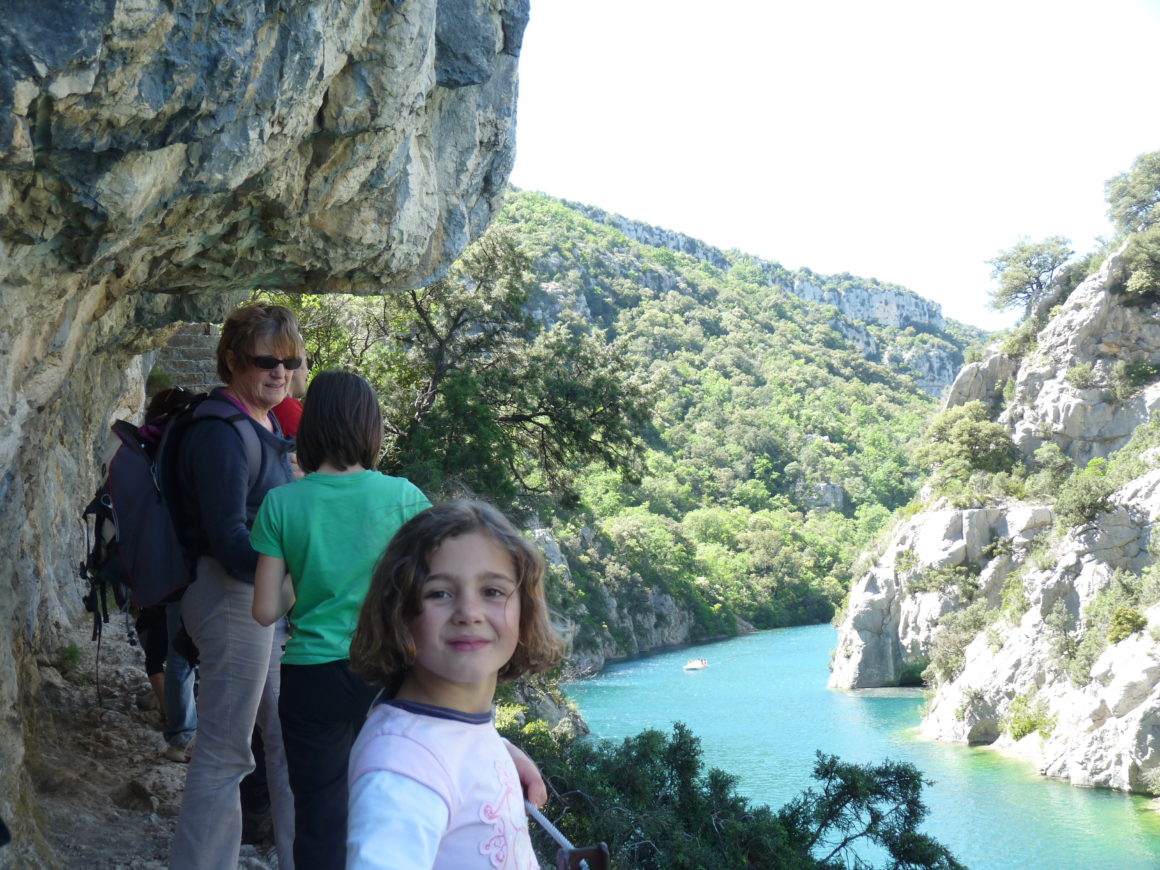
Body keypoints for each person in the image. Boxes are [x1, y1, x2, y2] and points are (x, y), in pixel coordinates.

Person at [251, 370, 431, 870]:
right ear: (369, 428)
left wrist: (306, 565)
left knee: (320, 819)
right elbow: (427, 598)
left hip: (311, 678)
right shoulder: (405, 498)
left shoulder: (282, 502)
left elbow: (266, 609)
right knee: (390, 811)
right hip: (388, 672)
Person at [345, 500, 566, 870]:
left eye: (493, 591)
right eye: (439, 593)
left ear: (524, 610)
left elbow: (438, 742)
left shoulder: (445, 730)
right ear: (399, 611)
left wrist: (496, 747)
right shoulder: (403, 771)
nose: (469, 613)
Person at [168, 302, 303, 870]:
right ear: (231, 360)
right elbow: (228, 539)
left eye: (291, 360)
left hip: (262, 606)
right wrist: (300, 574)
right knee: (225, 755)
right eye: (265, 360)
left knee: (285, 748)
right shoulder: (220, 430)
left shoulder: (267, 424)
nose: (280, 371)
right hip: (230, 600)